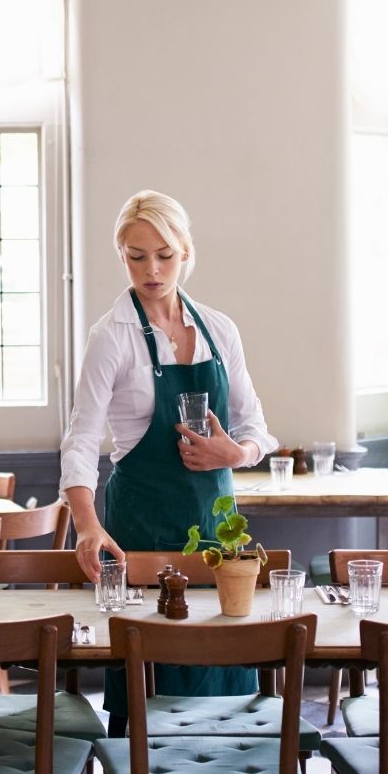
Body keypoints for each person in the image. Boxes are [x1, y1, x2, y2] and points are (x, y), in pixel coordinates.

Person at [59, 191, 276, 733]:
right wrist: (87, 527)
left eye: (164, 254)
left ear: (186, 252)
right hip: (142, 528)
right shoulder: (111, 337)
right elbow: (81, 440)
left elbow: (257, 432)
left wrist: (237, 453)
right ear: (121, 255)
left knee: (221, 673)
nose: (151, 269)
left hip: (216, 528)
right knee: (147, 674)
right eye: (136, 256)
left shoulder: (220, 331)